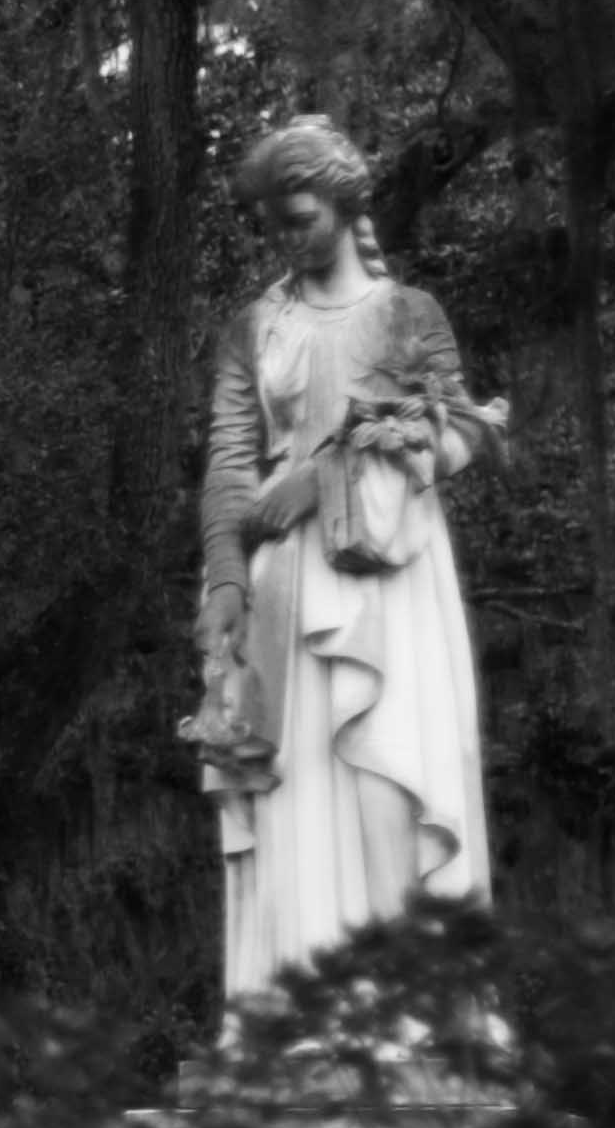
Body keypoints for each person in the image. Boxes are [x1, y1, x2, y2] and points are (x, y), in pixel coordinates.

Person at [192, 116, 495, 1002]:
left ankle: (406, 1003)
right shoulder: (256, 326)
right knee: (297, 790)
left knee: (393, 770)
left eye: (299, 217)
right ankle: (302, 1008)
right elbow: (229, 463)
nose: (287, 238)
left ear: (343, 201)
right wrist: (222, 580)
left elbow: (466, 435)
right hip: (285, 583)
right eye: (274, 225)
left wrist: (334, 473)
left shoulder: (408, 316)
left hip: (388, 571)